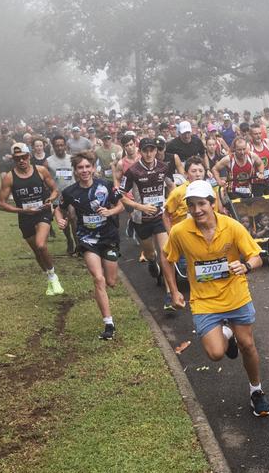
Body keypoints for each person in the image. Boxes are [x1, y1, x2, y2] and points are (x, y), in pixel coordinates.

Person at [165, 180, 269, 416]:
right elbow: (168, 258)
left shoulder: (232, 226)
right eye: (191, 205)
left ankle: (257, 391)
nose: (196, 210)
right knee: (215, 354)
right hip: (204, 300)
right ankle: (226, 333)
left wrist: (245, 266)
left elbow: (257, 256)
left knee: (247, 345)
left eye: (201, 204)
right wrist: (174, 290)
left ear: (212, 204)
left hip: (235, 295)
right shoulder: (180, 231)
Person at [53, 153, 126, 340]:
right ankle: (109, 324)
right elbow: (58, 209)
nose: (84, 171)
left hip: (108, 237)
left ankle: (105, 293)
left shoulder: (106, 185)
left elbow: (121, 205)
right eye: (80, 168)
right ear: (75, 171)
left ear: (93, 168)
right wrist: (61, 221)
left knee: (111, 281)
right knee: (98, 279)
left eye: (87, 167)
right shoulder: (70, 192)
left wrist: (110, 211)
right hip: (87, 239)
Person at [0, 142, 64, 296]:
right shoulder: (9, 177)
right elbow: (2, 204)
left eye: (24, 157)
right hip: (25, 216)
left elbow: (55, 190)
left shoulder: (40, 171)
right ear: (13, 160)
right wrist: (23, 210)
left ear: (29, 156)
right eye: (17, 158)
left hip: (42, 213)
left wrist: (49, 200)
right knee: (36, 251)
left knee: (41, 245)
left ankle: (54, 277)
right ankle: (49, 278)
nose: (21, 161)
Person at [122, 136, 175, 308]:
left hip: (160, 217)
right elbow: (121, 196)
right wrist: (140, 207)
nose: (149, 153)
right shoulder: (133, 171)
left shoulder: (164, 167)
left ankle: (170, 294)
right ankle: (152, 262)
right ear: (140, 151)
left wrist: (169, 203)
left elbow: (171, 186)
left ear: (156, 150)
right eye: (145, 150)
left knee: (166, 254)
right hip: (141, 219)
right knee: (151, 253)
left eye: (152, 150)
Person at [47, 135, 78, 257]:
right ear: (53, 147)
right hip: (58, 196)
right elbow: (46, 179)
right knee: (63, 222)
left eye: (61, 145)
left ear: (65, 146)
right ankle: (69, 240)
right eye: (57, 145)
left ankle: (78, 245)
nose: (60, 147)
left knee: (73, 219)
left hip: (73, 195)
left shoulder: (72, 159)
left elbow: (77, 174)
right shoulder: (48, 161)